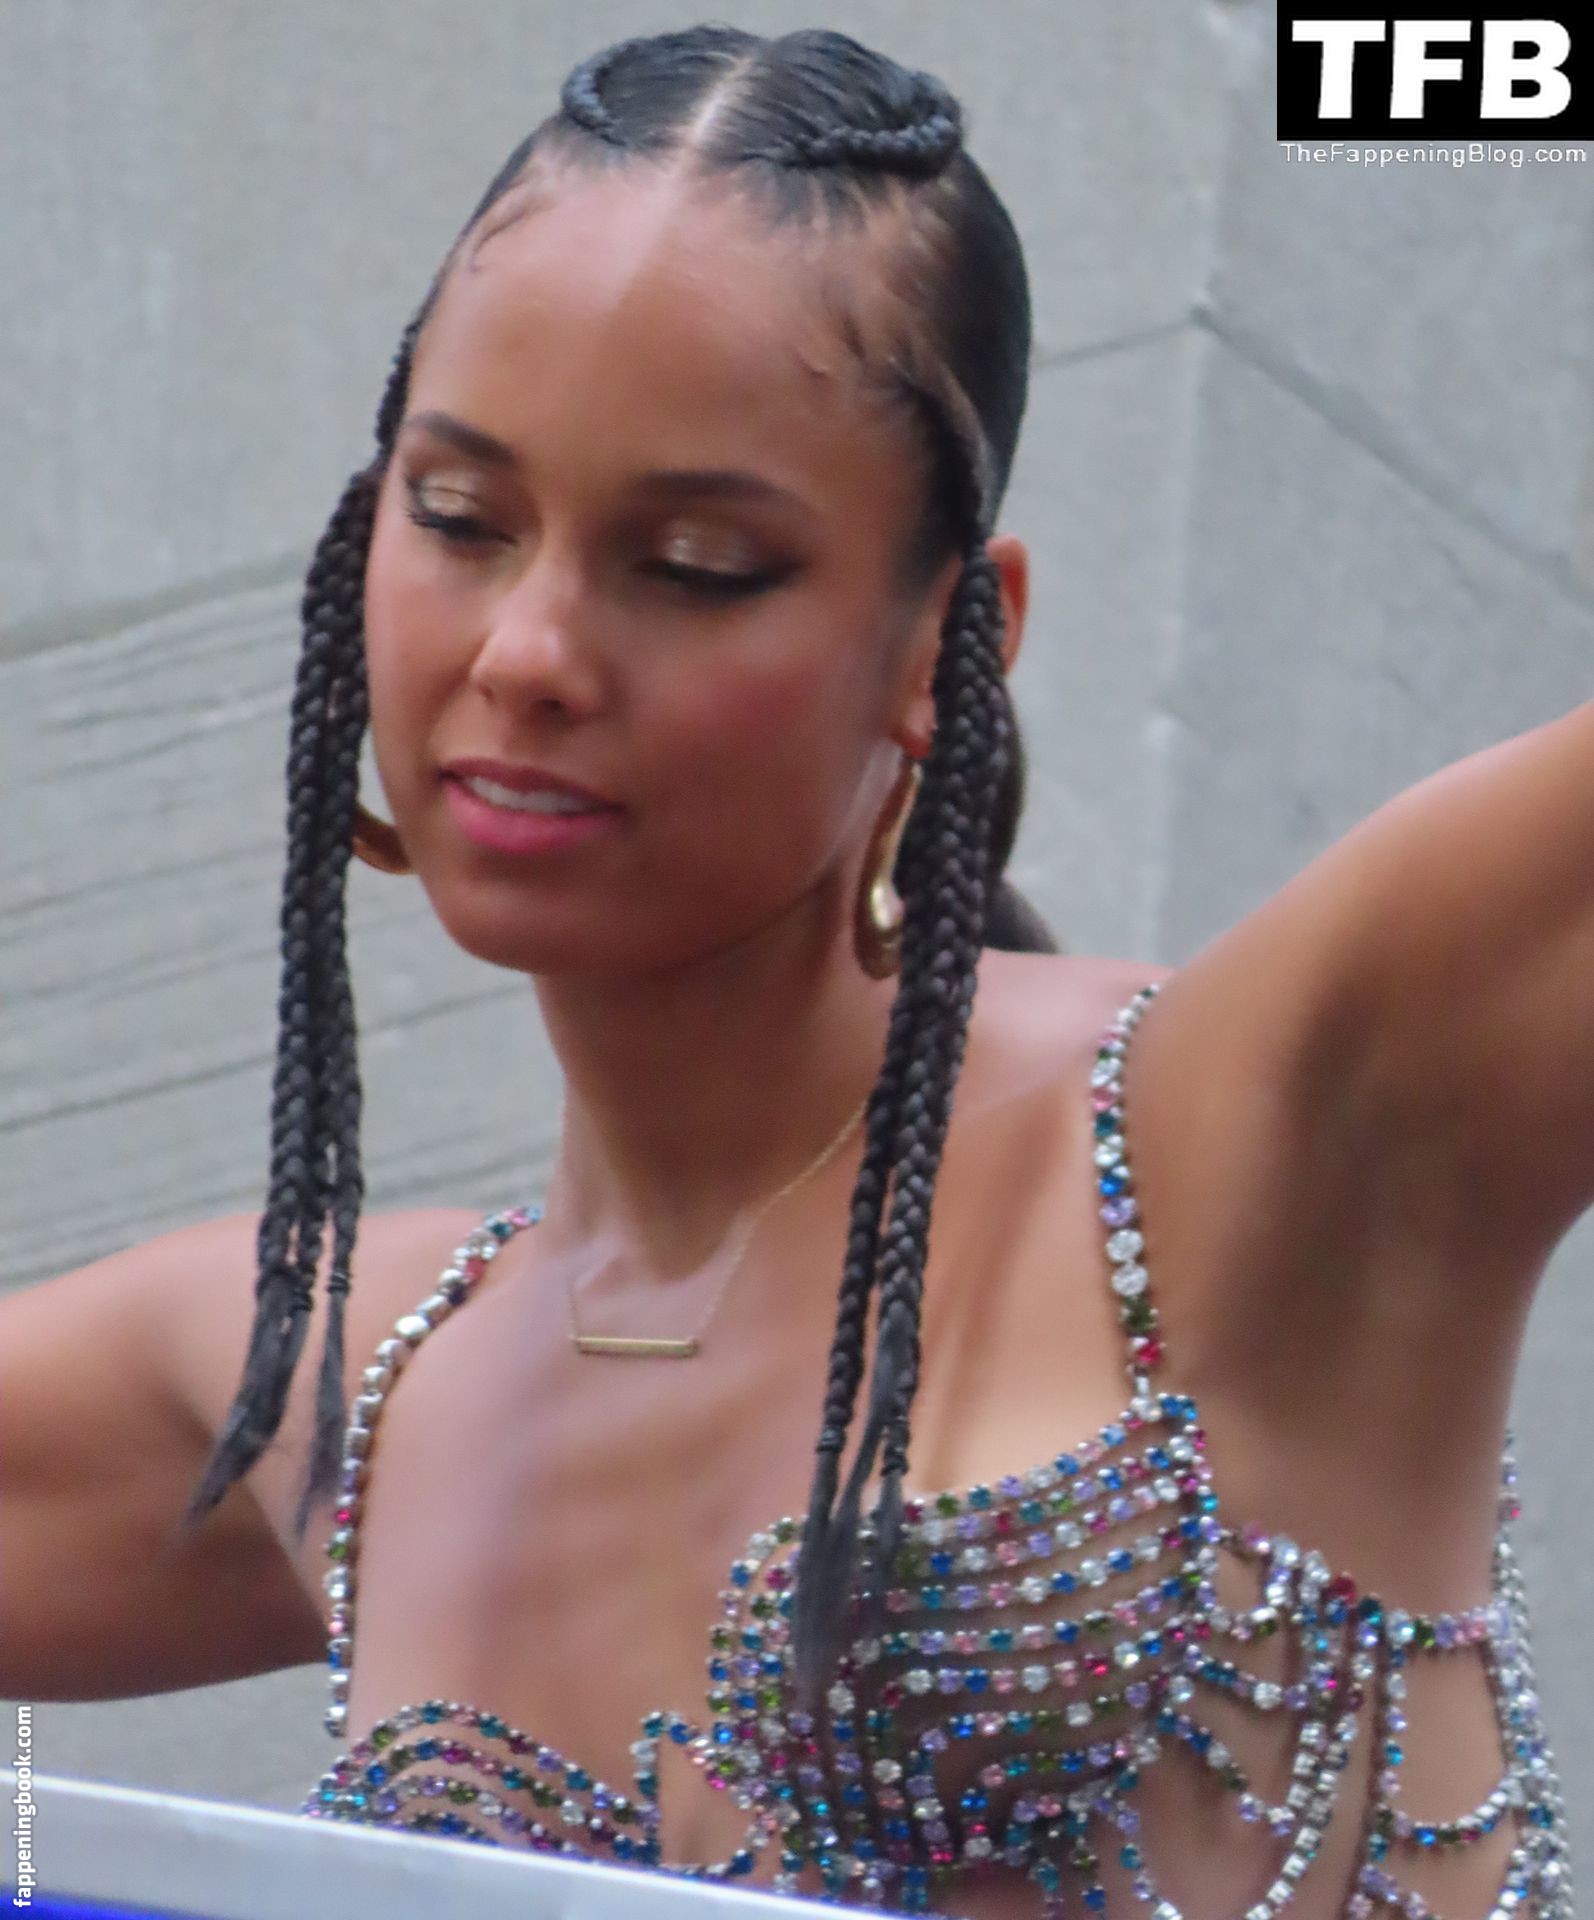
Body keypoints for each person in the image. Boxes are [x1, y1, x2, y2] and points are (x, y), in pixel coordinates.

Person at [1, 22, 1586, 1918]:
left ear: (947, 643)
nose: (526, 652)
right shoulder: (333, 1372)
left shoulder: (1272, 1122)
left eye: (696, 562)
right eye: (458, 519)